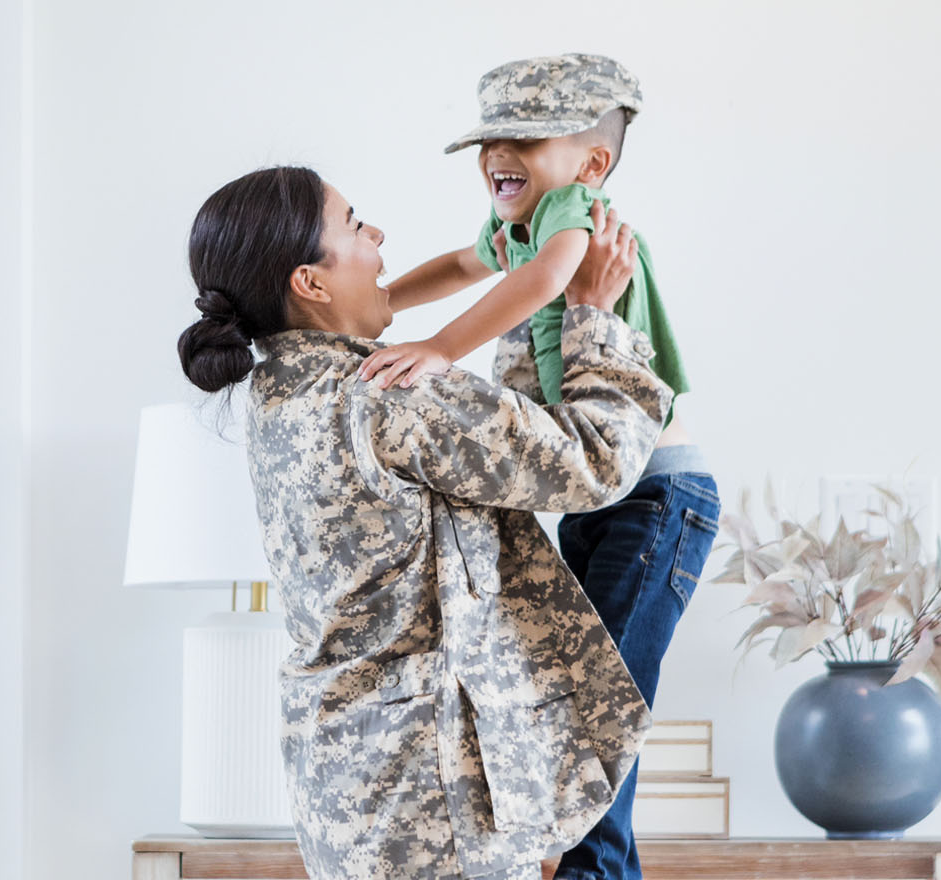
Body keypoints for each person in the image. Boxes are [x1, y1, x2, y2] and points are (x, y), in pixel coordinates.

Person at [176, 165, 669, 880]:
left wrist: (526, 296)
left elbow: (489, 445)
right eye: (354, 225)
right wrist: (593, 315)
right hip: (434, 802)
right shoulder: (385, 396)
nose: (377, 235)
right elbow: (591, 460)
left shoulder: (277, 397)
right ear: (310, 283)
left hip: (348, 795)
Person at [361, 55, 722, 880]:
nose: (498, 153)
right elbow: (461, 265)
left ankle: (593, 871)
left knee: (598, 715)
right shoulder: (525, 224)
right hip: (611, 502)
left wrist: (439, 347)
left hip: (658, 497)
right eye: (490, 140)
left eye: (525, 138)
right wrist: (382, 307)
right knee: (588, 711)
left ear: (591, 162)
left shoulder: (574, 212)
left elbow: (549, 280)